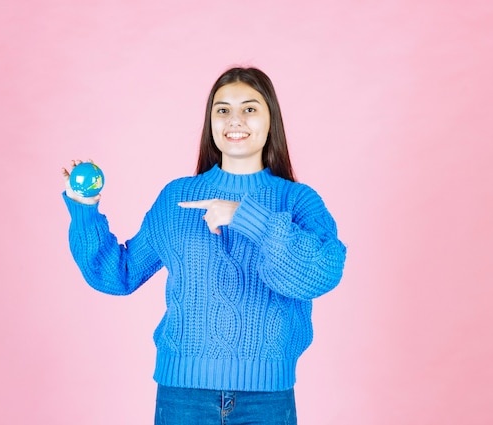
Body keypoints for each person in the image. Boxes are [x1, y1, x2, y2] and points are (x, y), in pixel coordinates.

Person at [62, 67, 347, 425]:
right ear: (210, 123)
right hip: (183, 397)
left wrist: (246, 217)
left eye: (250, 108)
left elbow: (320, 273)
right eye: (222, 110)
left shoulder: (297, 200)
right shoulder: (176, 197)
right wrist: (85, 211)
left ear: (271, 120)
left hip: (267, 400)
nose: (235, 120)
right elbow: (118, 275)